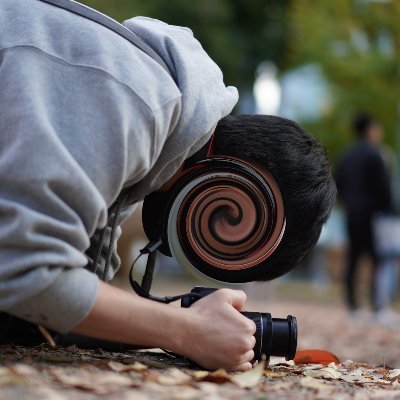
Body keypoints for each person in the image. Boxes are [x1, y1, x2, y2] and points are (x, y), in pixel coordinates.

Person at [0, 0, 336, 371]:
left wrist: (180, 322)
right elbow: (24, 267)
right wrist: (184, 329)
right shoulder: (138, 102)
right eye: (233, 229)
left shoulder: (147, 153)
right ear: (240, 182)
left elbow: (49, 305)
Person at [336, 113, 392, 318]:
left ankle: (353, 306)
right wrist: (387, 211)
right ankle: (378, 307)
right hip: (373, 216)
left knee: (353, 259)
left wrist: (347, 204)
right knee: (377, 260)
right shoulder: (375, 155)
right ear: (369, 129)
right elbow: (383, 188)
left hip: (352, 214)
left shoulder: (346, 156)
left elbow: (337, 184)